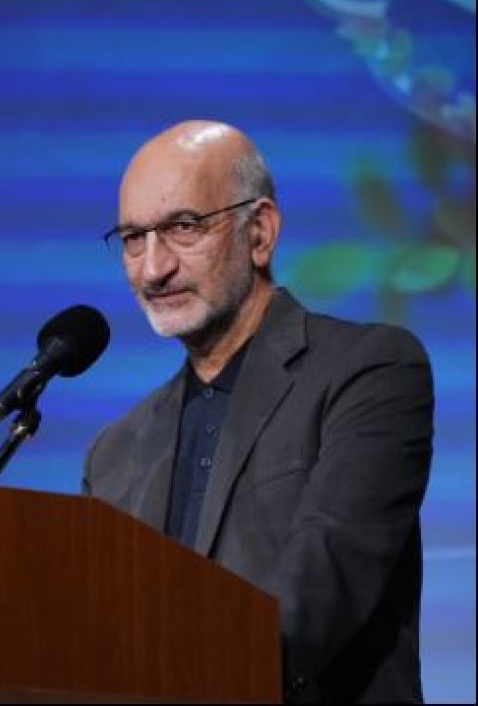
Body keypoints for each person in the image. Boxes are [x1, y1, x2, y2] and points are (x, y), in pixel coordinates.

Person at [83, 120, 433, 704]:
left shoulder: (368, 370)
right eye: (133, 238)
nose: (153, 269)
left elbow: (324, 578)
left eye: (183, 227)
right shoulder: (113, 454)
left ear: (260, 232)